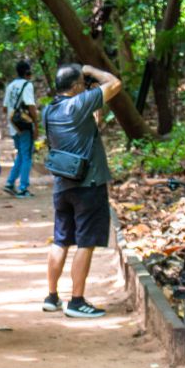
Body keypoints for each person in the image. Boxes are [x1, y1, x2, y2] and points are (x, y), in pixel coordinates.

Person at [42, 63, 121, 318]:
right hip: (88, 185)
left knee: (61, 240)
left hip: (62, 185)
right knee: (86, 242)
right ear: (76, 87)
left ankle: (52, 296)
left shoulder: (49, 110)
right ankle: (77, 301)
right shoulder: (78, 104)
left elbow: (89, 128)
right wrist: (91, 69)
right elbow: (115, 83)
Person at [2, 59, 39, 198]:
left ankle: (10, 183)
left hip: (13, 125)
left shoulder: (10, 86)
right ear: (27, 72)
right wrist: (35, 124)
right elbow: (30, 105)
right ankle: (23, 187)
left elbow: (5, 108)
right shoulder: (27, 85)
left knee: (21, 155)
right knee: (27, 156)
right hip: (24, 125)